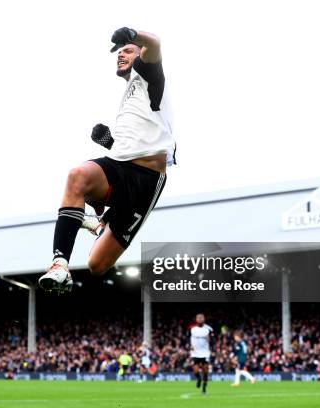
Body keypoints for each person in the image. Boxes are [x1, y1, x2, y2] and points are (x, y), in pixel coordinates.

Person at [39, 26, 175, 293]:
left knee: (97, 264)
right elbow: (134, 147)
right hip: (120, 166)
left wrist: (132, 34)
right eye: (120, 52)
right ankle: (59, 264)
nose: (121, 55)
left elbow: (155, 43)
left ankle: (96, 222)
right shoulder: (129, 96)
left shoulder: (148, 75)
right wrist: (110, 143)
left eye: (128, 51)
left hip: (146, 181)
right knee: (77, 176)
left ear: (140, 55)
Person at [190, 313, 213, 394]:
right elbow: (191, 339)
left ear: (204, 319)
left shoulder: (208, 329)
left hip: (205, 353)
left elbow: (212, 339)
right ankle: (199, 379)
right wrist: (191, 346)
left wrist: (210, 339)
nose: (199, 319)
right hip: (195, 353)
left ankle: (204, 386)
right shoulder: (193, 329)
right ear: (196, 319)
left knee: (205, 371)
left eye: (201, 318)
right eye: (198, 318)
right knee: (195, 370)